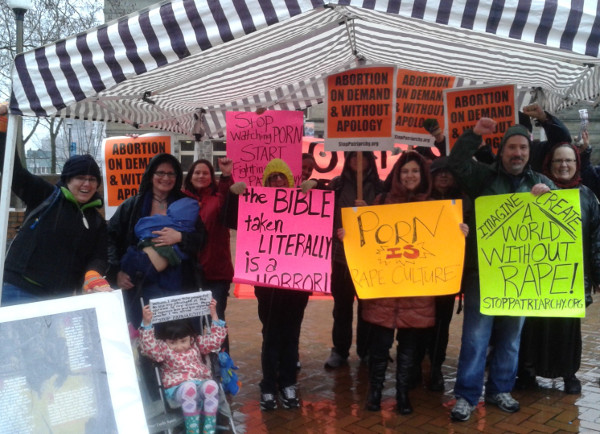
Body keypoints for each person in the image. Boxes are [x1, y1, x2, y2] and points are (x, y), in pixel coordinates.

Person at [447, 118, 555, 421]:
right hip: (483, 273)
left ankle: (500, 390)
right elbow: (456, 162)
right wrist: (473, 135)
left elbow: (561, 216)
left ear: (528, 151)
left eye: (522, 147)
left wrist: (549, 194)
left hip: (520, 277)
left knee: (510, 337)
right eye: (511, 147)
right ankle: (467, 396)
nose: (517, 153)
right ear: (502, 150)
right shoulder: (482, 177)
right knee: (475, 338)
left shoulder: (540, 182)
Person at [362, 151, 468, 414]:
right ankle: (374, 391)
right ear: (397, 175)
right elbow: (365, 243)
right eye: (405, 171)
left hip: (417, 291)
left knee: (409, 348)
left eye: (415, 171)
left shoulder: (435, 207)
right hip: (384, 290)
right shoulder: (381, 202)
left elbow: (444, 247)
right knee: (380, 346)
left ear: (423, 176)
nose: (410, 176)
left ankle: (401, 393)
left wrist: (458, 235)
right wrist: (350, 234)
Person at [1, 103, 109, 305]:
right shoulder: (45, 195)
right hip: (20, 290)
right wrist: (2, 130)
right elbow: (13, 171)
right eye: (80, 178)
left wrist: (93, 274)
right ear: (68, 179)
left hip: (61, 299)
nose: (87, 184)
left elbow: (100, 256)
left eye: (93, 179)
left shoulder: (97, 222)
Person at [516, 142, 600, 394]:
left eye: (569, 161)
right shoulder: (531, 192)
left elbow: (596, 237)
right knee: (534, 328)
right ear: (549, 165)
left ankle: (568, 373)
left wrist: (597, 274)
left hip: (572, 278)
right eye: (558, 161)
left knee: (567, 330)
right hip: (537, 277)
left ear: (576, 164)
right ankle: (528, 372)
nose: (564, 165)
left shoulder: (587, 196)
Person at [232, 158, 310, 410]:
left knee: (291, 334)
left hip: (297, 284)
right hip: (267, 285)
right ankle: (268, 385)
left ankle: (287, 382)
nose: (277, 181)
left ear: (290, 181)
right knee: (271, 334)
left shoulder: (304, 202)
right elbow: (232, 219)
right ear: (266, 182)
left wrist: (316, 186)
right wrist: (233, 193)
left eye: (282, 177)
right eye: (272, 178)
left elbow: (324, 216)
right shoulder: (256, 206)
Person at [107, 153, 206, 326]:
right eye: (160, 173)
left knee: (177, 339)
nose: (165, 178)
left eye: (171, 174)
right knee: (146, 338)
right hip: (140, 286)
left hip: (179, 286)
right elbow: (109, 238)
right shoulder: (132, 205)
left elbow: (203, 239)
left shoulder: (186, 205)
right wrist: (116, 272)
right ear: (151, 175)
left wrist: (180, 237)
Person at [412, 156, 473, 392]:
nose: (444, 176)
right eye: (439, 172)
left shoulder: (465, 201)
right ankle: (415, 365)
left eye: (448, 172)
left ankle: (435, 366)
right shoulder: (419, 199)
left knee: (441, 324)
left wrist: (465, 232)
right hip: (421, 274)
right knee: (419, 322)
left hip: (448, 274)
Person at [324, 151, 384, 369]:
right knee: (341, 308)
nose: (358, 162)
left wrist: (370, 211)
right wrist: (335, 234)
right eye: (353, 158)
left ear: (370, 161)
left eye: (363, 158)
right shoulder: (337, 185)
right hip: (342, 258)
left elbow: (390, 220)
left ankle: (366, 350)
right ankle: (340, 350)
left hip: (370, 259)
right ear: (347, 161)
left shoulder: (380, 187)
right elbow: (324, 214)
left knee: (368, 307)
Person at [139, 299, 227, 434]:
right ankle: (193, 429)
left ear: (190, 337)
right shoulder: (162, 348)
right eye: (173, 343)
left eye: (183, 341)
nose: (179, 346)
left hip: (200, 381)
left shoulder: (196, 343)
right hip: (178, 387)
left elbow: (215, 340)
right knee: (189, 388)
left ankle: (209, 427)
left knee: (212, 386)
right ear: (165, 340)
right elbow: (149, 347)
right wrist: (147, 324)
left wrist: (214, 315)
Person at [182, 157, 235, 353]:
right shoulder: (181, 199)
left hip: (216, 272)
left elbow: (230, 204)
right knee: (193, 322)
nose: (201, 176)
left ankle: (223, 367)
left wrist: (227, 176)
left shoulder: (219, 198)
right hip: (189, 272)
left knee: (216, 320)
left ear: (212, 177)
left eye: (205, 173)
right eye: (197, 172)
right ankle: (197, 365)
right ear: (190, 175)